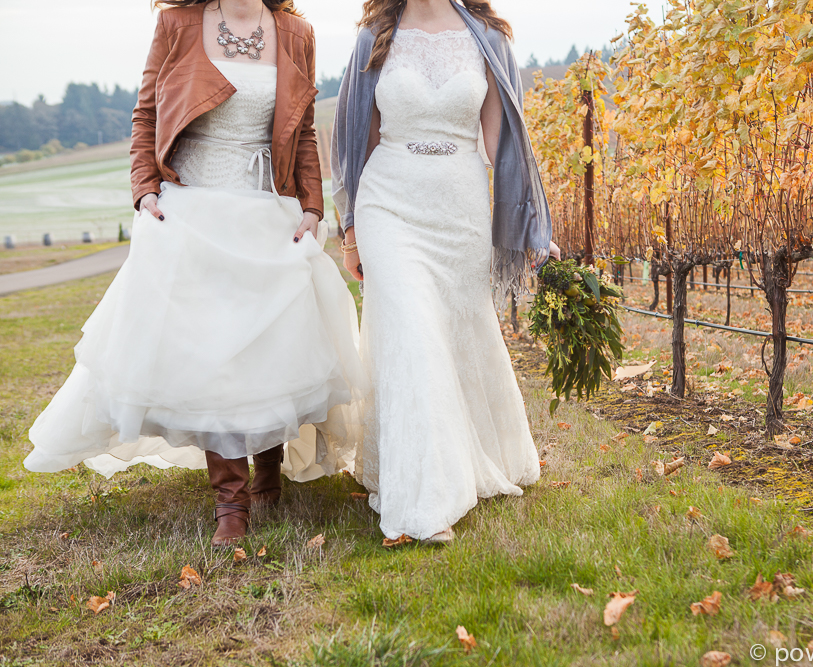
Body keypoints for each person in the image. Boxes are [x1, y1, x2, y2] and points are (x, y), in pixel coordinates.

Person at [24, 0, 367, 548]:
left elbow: (302, 129)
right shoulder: (176, 23)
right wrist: (145, 191)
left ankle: (268, 474)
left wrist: (311, 205)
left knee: (269, 346)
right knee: (214, 354)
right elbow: (146, 117)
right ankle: (230, 504)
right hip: (193, 212)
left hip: (264, 210)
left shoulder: (297, 32)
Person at [331, 0, 560, 543]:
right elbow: (353, 139)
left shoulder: (489, 38)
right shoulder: (374, 36)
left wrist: (523, 222)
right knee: (413, 334)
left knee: (457, 334)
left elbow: (506, 146)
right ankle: (423, 500)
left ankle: (470, 454)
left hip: (459, 210)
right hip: (389, 204)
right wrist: (351, 230)